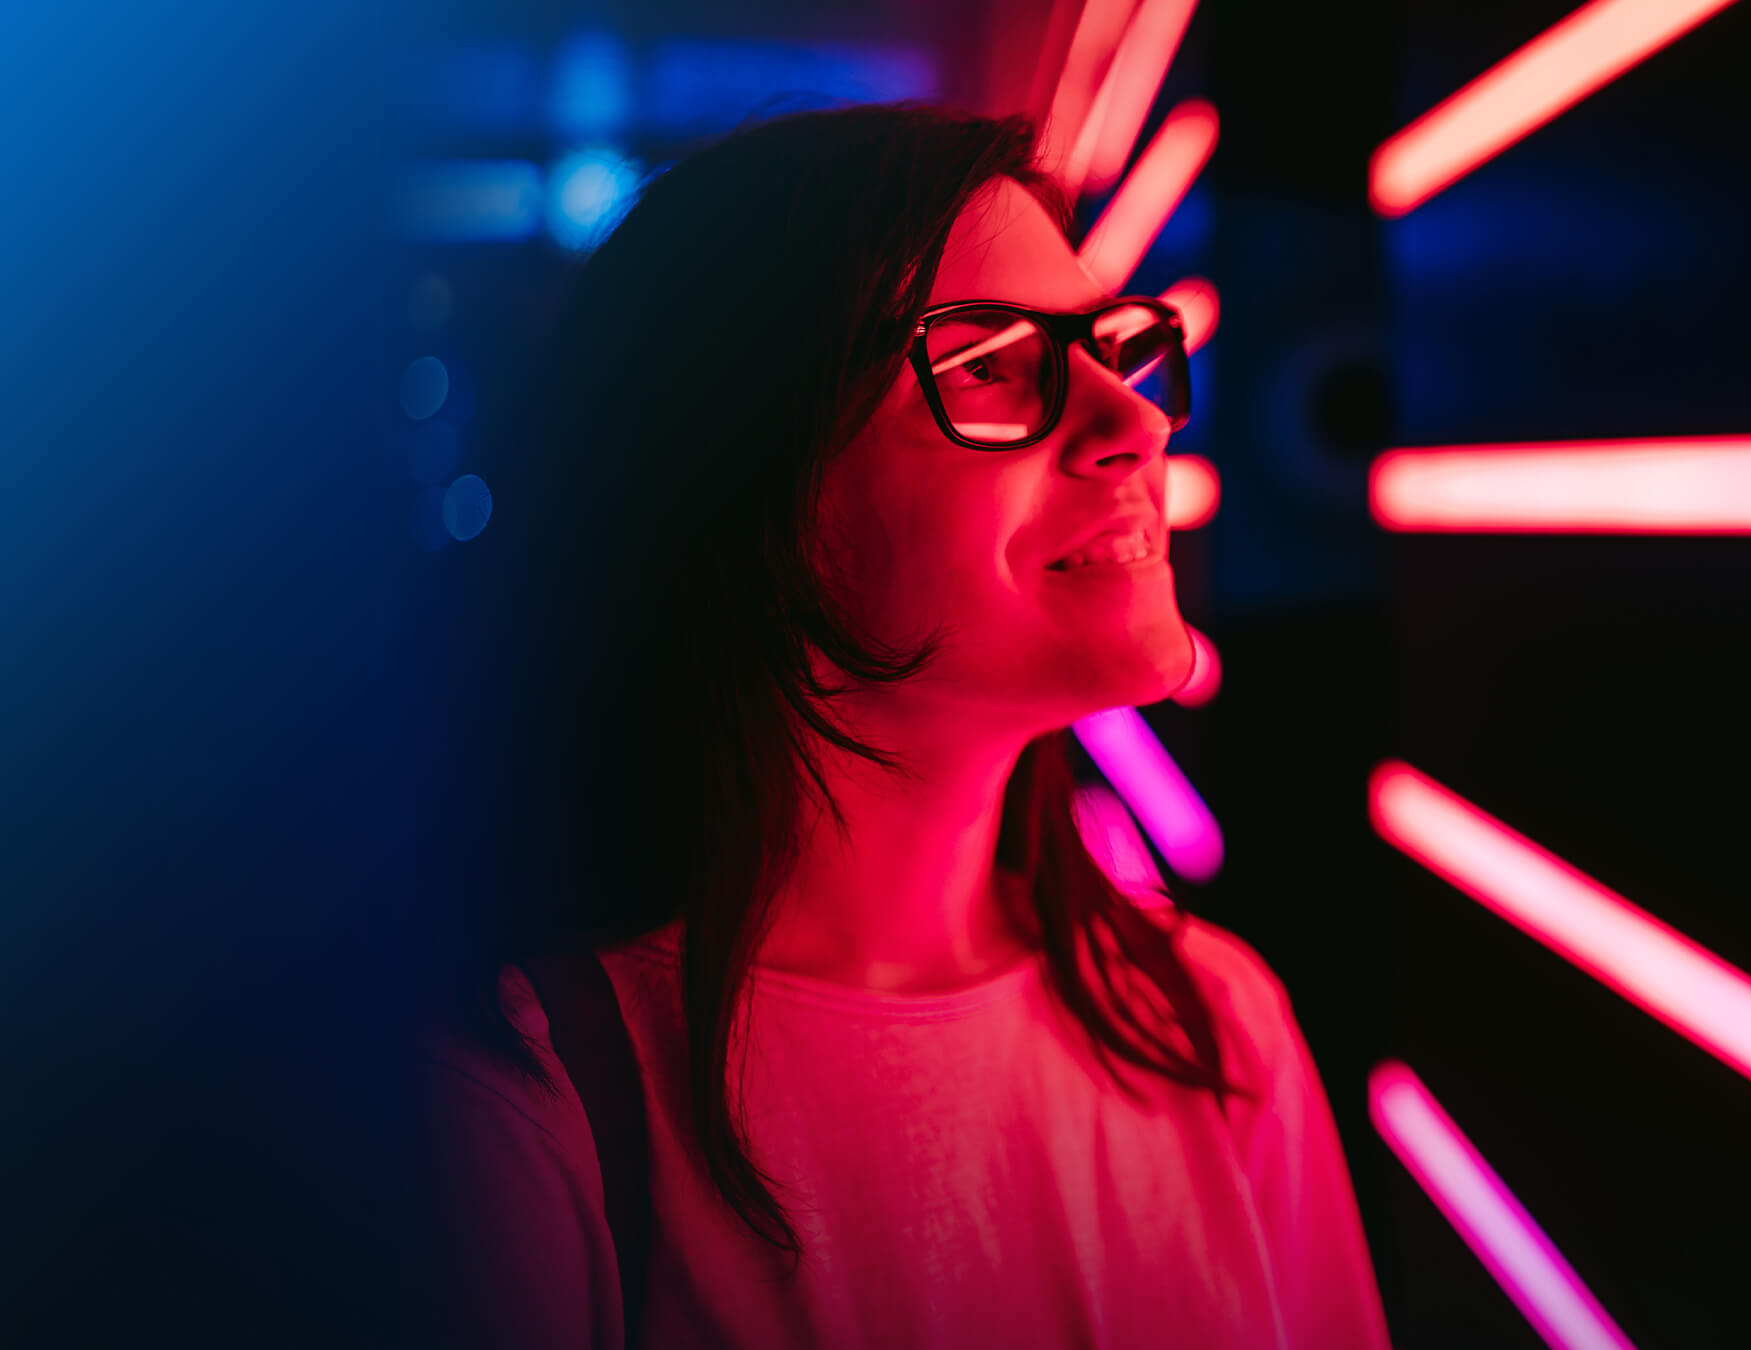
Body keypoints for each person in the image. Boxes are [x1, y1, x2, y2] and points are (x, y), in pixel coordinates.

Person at [419, 102, 1392, 1350]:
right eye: (988, 363)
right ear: (749, 484)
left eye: (1112, 347)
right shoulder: (518, 1115)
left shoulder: (1210, 1024)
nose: (1139, 425)